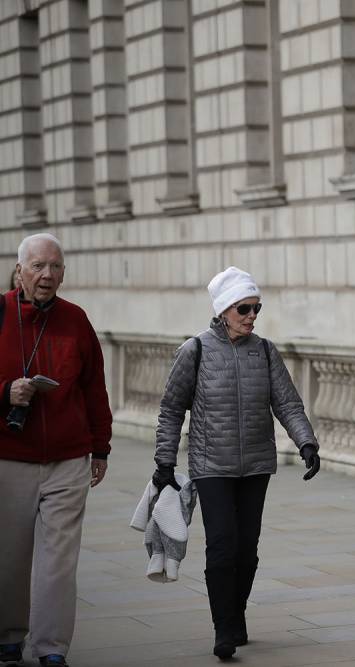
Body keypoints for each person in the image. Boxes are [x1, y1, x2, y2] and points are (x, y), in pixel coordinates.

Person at [153, 266, 321, 660]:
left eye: (256, 308)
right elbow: (171, 409)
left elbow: (287, 403)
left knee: (248, 549)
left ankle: (237, 610)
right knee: (222, 547)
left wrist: (307, 443)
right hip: (211, 465)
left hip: (256, 465)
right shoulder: (194, 350)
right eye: (244, 308)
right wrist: (163, 462)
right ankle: (223, 628)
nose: (251, 316)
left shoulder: (264, 350)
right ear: (224, 309)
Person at [0, 233, 113, 667]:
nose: (48, 275)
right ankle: (9, 634)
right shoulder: (1, 314)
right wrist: (6, 392)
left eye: (57, 267)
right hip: (10, 456)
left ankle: (51, 647)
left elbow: (93, 389)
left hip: (67, 458)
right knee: (9, 555)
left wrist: (99, 448)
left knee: (59, 560)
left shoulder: (75, 320)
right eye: (39, 266)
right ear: (20, 269)